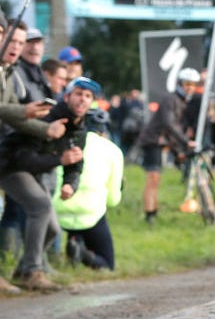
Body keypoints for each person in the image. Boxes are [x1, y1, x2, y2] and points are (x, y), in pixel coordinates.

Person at [0, 76, 97, 292]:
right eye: (79, 94)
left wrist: (71, 184)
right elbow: (23, 158)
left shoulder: (80, 127)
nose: (83, 100)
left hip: (35, 170)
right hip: (10, 165)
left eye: (88, 96)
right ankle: (33, 272)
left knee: (52, 228)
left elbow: (75, 162)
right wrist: (59, 161)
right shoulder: (50, 115)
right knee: (40, 207)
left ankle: (23, 270)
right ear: (68, 95)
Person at [54, 108, 124, 270]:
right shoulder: (112, 149)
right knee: (107, 264)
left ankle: (74, 244)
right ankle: (85, 256)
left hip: (57, 208)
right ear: (104, 130)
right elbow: (113, 199)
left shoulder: (64, 142)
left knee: (73, 221)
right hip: (90, 212)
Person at [136, 68, 199, 225]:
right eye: (187, 84)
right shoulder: (170, 99)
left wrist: (179, 149)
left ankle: (153, 212)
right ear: (179, 83)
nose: (190, 87)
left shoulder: (179, 101)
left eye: (193, 84)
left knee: (155, 180)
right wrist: (185, 142)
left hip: (160, 142)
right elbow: (169, 124)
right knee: (153, 178)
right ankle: (149, 215)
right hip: (153, 142)